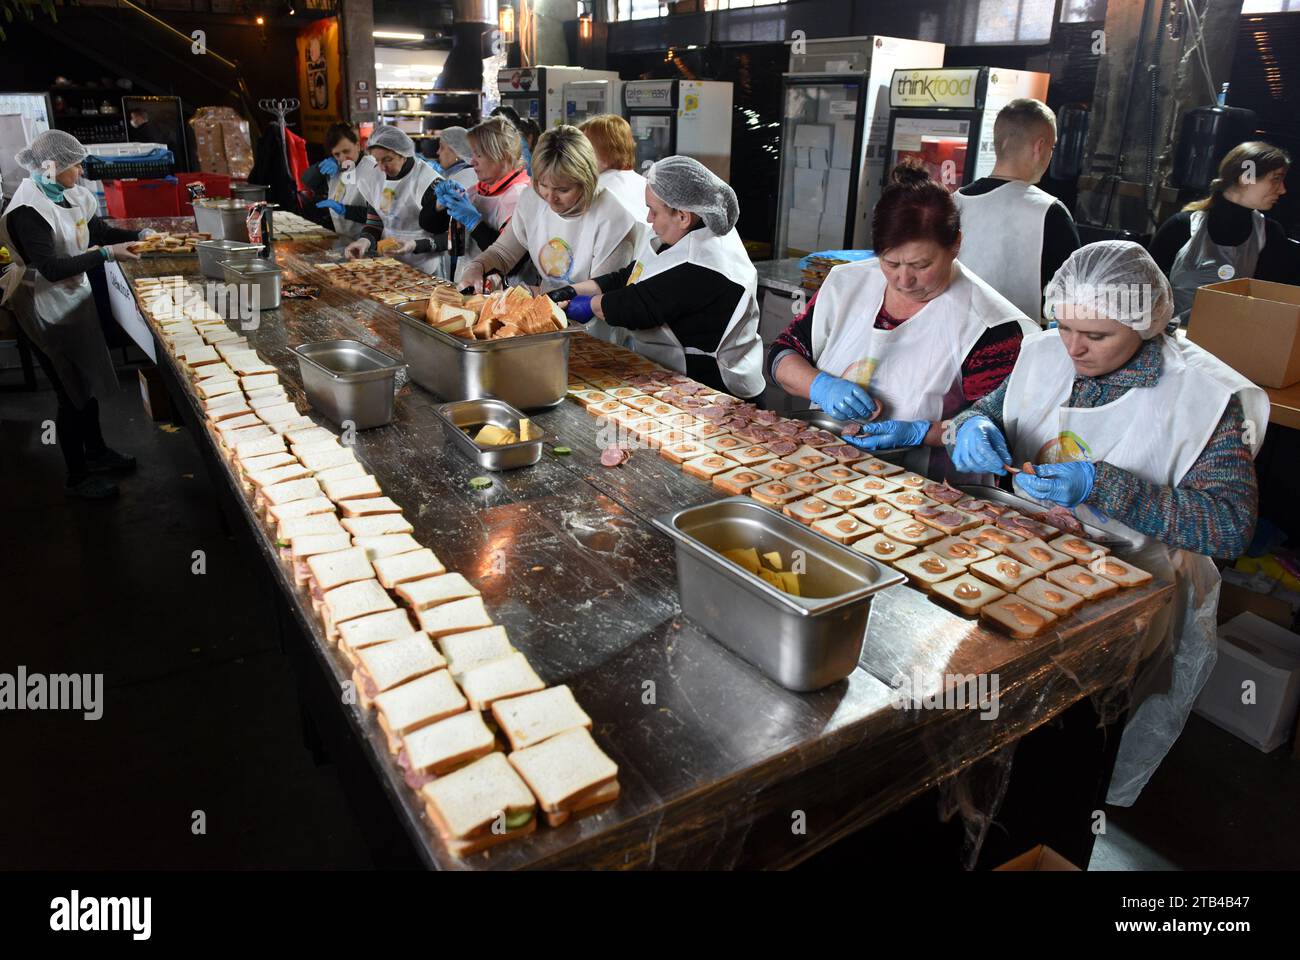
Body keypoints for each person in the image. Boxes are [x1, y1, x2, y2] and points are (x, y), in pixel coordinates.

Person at [940, 241, 1267, 805]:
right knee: (982, 721)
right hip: (1019, 562)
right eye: (1064, 326)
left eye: (1096, 336)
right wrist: (971, 427)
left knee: (1066, 745)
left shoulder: (1201, 397)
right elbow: (990, 409)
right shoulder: (1044, 353)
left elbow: (1231, 526)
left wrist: (1103, 484)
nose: (1074, 347)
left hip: (1125, 592)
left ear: (1146, 322)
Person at [769, 162, 1038, 476]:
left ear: (956, 245)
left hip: (925, 491)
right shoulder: (847, 284)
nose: (903, 279)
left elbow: (991, 430)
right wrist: (820, 386)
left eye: (920, 265)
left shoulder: (990, 326)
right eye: (890, 262)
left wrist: (923, 432)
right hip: (824, 468)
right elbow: (782, 356)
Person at [0, 130, 145, 499]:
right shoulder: (28, 209)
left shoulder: (71, 194)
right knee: (70, 391)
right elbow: (48, 267)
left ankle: (96, 453)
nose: (81, 170)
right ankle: (77, 477)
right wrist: (108, 255)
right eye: (75, 164)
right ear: (53, 166)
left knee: (87, 383)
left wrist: (139, 235)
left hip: (72, 297)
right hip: (42, 304)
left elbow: (94, 229)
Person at [555, 156, 764, 400]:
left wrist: (586, 305)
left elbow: (638, 305)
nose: (648, 219)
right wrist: (573, 290)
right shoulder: (684, 234)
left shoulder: (705, 261)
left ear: (683, 216)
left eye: (653, 210)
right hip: (681, 378)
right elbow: (630, 276)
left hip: (719, 389)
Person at [458, 126, 637, 344]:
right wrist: (477, 267)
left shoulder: (612, 218)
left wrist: (535, 295)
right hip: (540, 326)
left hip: (593, 335)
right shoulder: (532, 199)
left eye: (563, 190)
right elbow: (503, 253)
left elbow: (600, 292)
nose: (550, 198)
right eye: (543, 185)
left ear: (587, 180)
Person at [953, 98, 1081, 323]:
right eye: (1051, 148)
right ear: (1039, 147)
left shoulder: (953, 202)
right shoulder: (1050, 212)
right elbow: (1073, 298)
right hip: (1020, 348)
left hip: (952, 334)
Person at [1149, 141, 1297, 322]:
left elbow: (1270, 303)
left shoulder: (1270, 234)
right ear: (1246, 177)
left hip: (1229, 342)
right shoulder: (1182, 226)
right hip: (1174, 341)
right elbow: (1143, 289)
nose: (1282, 189)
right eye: (1276, 179)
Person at [434, 116, 531, 286]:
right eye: (473, 154)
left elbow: (511, 260)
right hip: (471, 281)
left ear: (503, 157)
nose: (472, 161)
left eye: (479, 155)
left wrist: (475, 222)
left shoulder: (519, 196)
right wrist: (438, 205)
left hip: (505, 290)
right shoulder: (479, 188)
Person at [344, 125, 442, 274]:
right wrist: (364, 241)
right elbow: (375, 221)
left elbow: (447, 238)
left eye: (388, 159)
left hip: (423, 267)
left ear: (404, 154)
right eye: (377, 160)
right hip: (389, 265)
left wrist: (414, 245)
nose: (382, 167)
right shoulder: (375, 177)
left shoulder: (428, 183)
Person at [420, 126, 480, 279]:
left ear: (456, 152)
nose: (438, 152)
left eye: (442, 147)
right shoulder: (458, 176)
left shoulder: (459, 180)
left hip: (467, 259)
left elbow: (430, 222)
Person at [302, 122, 371, 240]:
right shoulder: (337, 169)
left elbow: (380, 215)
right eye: (337, 154)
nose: (343, 158)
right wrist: (320, 167)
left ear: (358, 146)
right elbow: (307, 180)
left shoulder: (371, 169)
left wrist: (344, 210)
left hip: (369, 241)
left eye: (346, 151)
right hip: (345, 239)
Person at [578, 114, 650, 222]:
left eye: (584, 149)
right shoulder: (646, 185)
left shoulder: (596, 191)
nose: (577, 156)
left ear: (607, 152)